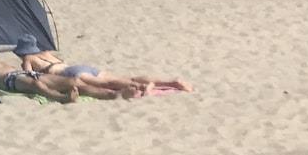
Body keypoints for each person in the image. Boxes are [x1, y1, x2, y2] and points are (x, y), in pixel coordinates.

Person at [11, 40, 193, 99]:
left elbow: (29, 76)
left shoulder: (28, 58)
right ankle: (170, 82)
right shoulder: (47, 53)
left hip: (70, 74)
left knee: (106, 84)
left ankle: (139, 88)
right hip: (80, 67)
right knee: (123, 78)